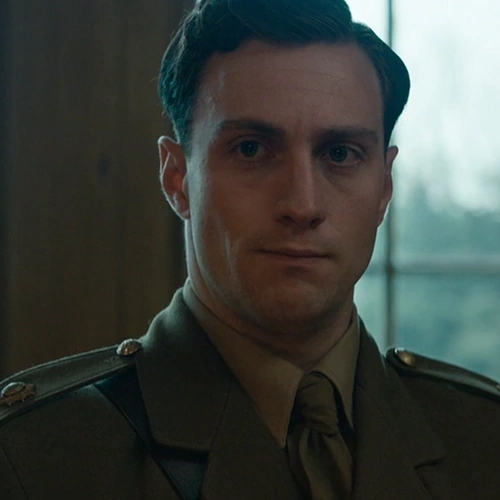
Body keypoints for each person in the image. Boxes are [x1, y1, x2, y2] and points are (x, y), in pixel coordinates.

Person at [1, 0, 499, 498]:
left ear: (385, 186)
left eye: (340, 153)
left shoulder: (484, 438)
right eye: (252, 149)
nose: (302, 205)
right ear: (177, 179)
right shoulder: (33, 458)